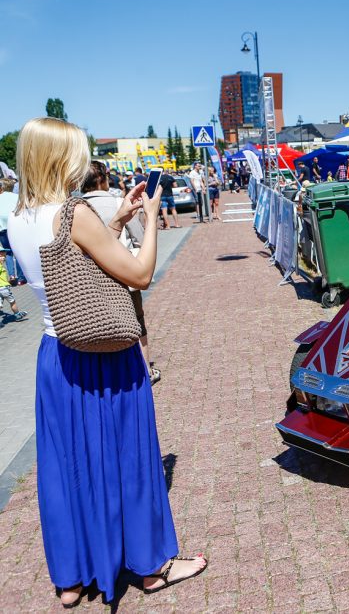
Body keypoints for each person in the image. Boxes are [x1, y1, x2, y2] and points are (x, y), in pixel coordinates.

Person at [6, 117, 207, 608]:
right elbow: (138, 273)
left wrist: (114, 220)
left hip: (56, 354)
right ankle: (151, 564)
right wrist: (149, 218)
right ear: (61, 157)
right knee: (131, 455)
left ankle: (73, 577)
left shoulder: (17, 217)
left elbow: (64, 265)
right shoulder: (74, 213)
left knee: (66, 464)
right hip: (106, 355)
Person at [80, 161, 160, 383]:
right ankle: (144, 370)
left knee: (101, 325)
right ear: (103, 179)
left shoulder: (75, 207)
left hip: (91, 279)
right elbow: (140, 238)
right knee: (136, 322)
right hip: (124, 274)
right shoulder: (120, 202)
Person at [1, 177, 24, 284]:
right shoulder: (17, 197)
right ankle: (21, 278)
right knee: (18, 251)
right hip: (15, 227)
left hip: (2, 229)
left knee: (8, 252)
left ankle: (11, 275)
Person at [0, 254, 27, 320]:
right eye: (1, 256)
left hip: (3, 287)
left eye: (4, 255)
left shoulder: (2, 266)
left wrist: (9, 281)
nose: (3, 257)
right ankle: (17, 315)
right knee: (12, 302)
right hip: (4, 289)